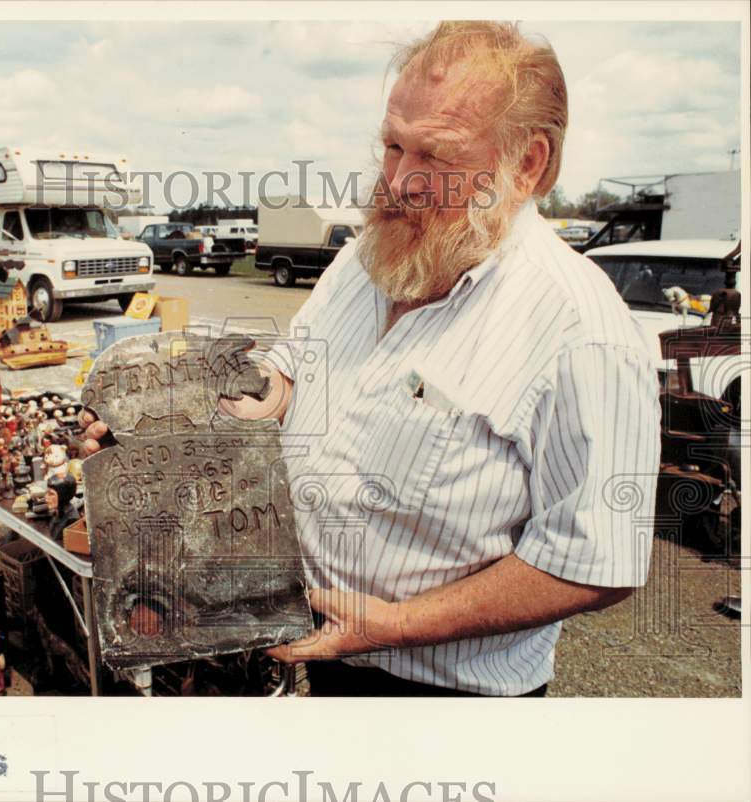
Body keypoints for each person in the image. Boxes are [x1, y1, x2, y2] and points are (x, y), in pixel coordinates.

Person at [81, 21, 661, 697]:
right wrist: (169, 419)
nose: (398, 181)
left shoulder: (581, 334)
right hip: (322, 660)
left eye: (435, 158)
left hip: (447, 704)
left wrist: (393, 625)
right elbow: (291, 378)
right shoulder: (368, 259)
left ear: (528, 164)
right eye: (392, 145)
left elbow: (595, 563)